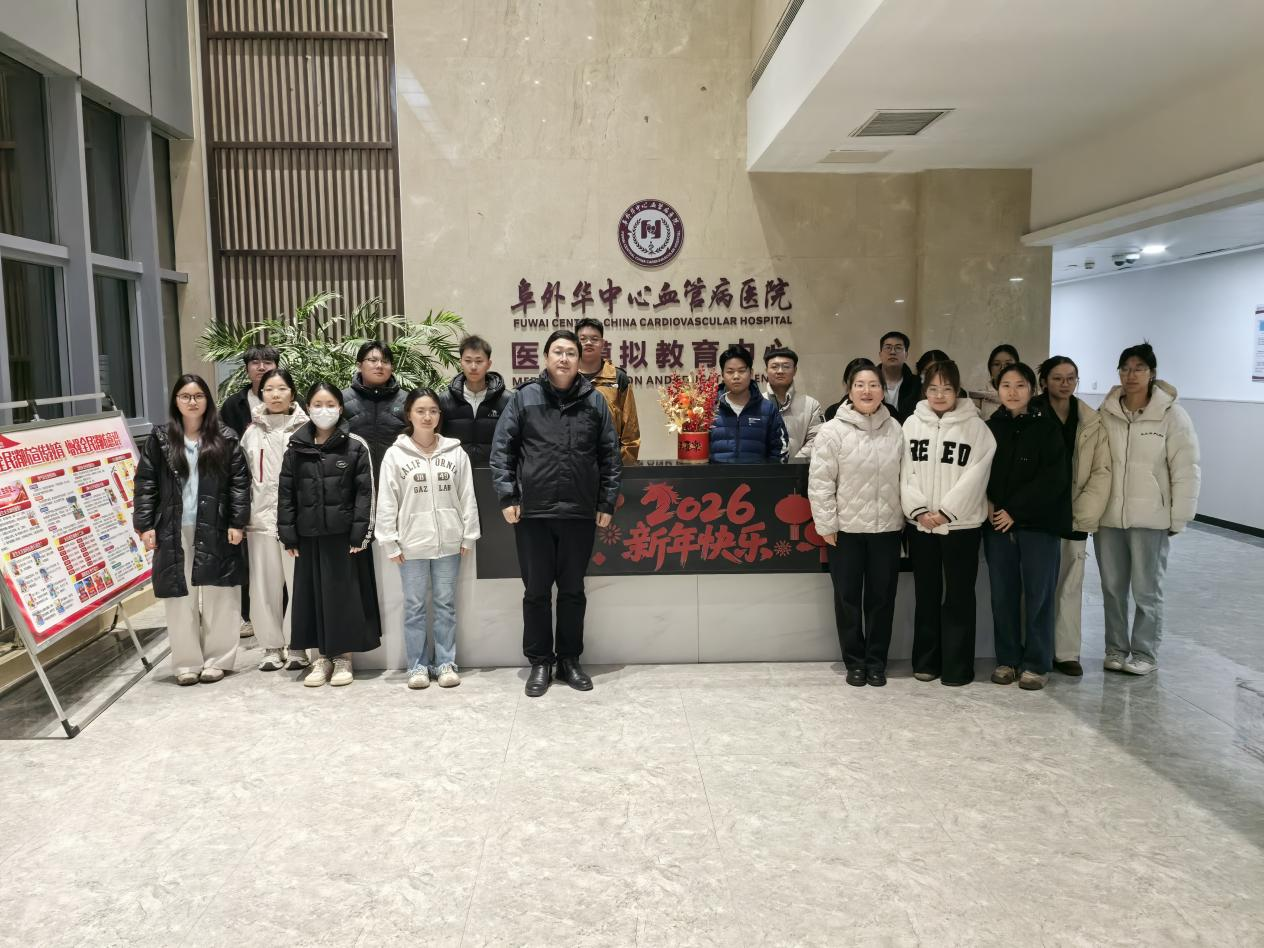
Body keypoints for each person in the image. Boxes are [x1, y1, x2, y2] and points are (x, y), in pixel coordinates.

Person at [489, 329, 621, 697]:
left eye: (571, 353)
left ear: (580, 360)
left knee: (573, 590)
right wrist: (507, 497)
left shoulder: (595, 402)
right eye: (557, 352)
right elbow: (502, 450)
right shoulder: (524, 398)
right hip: (534, 513)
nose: (564, 359)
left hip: (579, 512)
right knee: (535, 591)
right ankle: (540, 662)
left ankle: (569, 660)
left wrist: (606, 502)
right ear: (546, 358)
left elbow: (610, 456)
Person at [133, 375, 250, 686]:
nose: (192, 401)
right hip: (174, 527)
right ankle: (186, 663)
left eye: (198, 396)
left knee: (220, 594)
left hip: (217, 526)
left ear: (207, 400)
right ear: (176, 401)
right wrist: (145, 525)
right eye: (185, 396)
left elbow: (240, 483)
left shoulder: (225, 437)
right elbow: (145, 483)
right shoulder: (160, 438)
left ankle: (218, 660)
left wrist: (237, 522)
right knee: (179, 596)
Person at [1096, 343, 1200, 676]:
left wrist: (1179, 517)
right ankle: (1115, 649)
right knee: (1112, 588)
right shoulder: (1106, 412)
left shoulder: (1172, 415)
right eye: (1125, 368)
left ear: (1152, 373)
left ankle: (1145, 653)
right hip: (1109, 517)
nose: (1131, 375)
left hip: (1151, 518)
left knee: (1146, 590)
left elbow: (1186, 469)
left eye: (1139, 368)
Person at [376, 388, 481, 690]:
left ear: (439, 415)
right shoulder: (395, 455)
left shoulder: (455, 452)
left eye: (433, 411)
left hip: (450, 541)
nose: (427, 416)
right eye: (420, 410)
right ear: (409, 414)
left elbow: (467, 494)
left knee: (446, 605)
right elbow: (387, 500)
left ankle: (446, 663)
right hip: (411, 544)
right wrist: (389, 540)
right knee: (414, 607)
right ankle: (418, 666)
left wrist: (468, 535)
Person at [278, 383, 381, 687]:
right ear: (307, 408)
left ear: (340, 408)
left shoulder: (355, 446)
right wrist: (288, 534)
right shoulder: (295, 447)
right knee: (311, 598)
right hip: (308, 536)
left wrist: (360, 535)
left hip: (344, 538)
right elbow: (285, 494)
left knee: (343, 598)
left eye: (330, 404)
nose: (324, 410)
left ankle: (343, 658)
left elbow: (366, 493)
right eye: (317, 404)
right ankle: (320, 658)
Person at [808, 359, 904, 687]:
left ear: (883, 391)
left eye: (874, 385)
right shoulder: (832, 431)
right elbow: (821, 481)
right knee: (847, 599)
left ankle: (877, 662)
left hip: (887, 529)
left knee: (882, 599)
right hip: (845, 532)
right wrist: (826, 525)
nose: (867, 391)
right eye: (860, 385)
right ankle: (855, 662)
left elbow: (906, 477)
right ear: (849, 390)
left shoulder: (895, 429)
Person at [900, 360, 996, 686]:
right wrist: (919, 511)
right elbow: (904, 472)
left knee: (959, 596)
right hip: (921, 527)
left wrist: (947, 512)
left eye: (947, 389)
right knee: (926, 594)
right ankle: (926, 662)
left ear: (957, 391)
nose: (939, 395)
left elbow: (977, 476)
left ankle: (957, 667)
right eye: (933, 388)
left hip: (962, 528)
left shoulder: (977, 428)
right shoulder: (911, 424)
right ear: (924, 390)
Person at [984, 363, 1070, 691]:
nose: (1012, 391)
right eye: (1006, 385)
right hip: (997, 524)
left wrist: (1015, 511)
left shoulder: (1047, 428)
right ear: (997, 390)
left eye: (1020, 385)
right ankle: (1007, 659)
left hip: (1038, 524)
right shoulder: (990, 428)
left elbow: (1054, 479)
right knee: (1002, 595)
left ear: (1033, 390)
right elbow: (980, 471)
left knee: (1039, 595)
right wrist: (988, 502)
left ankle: (1036, 663)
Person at [1033, 356, 1111, 677]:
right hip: (1038, 514)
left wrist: (1085, 512)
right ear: (1044, 382)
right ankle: (1035, 650)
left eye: (1070, 378)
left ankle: (1065, 652)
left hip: (1073, 512)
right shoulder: (1032, 412)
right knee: (1037, 588)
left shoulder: (1090, 420)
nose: (1064, 384)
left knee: (1070, 584)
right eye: (1057, 378)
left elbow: (1101, 470)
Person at [239, 368, 310, 672]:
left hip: (298, 523)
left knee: (298, 585)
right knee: (263, 587)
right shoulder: (251, 433)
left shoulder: (306, 430)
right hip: (261, 521)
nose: (275, 395)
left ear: (292, 393)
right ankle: (270, 646)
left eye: (282, 388)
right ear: (261, 394)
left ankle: (297, 645)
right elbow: (241, 479)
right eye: (269, 389)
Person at [221, 344, 279, 640]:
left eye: (267, 361)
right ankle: (248, 615)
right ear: (246, 368)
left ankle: (283, 616)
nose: (261, 366)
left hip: (280, 492)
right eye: (255, 362)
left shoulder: (292, 402)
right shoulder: (233, 405)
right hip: (247, 489)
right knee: (249, 559)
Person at [436, 335, 512, 465]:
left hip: (493, 470)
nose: (473, 366)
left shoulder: (506, 399)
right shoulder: (445, 399)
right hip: (454, 469)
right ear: (461, 362)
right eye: (468, 361)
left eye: (479, 361)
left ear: (488, 364)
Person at [575, 317, 640, 464]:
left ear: (602, 343)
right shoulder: (567, 378)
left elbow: (630, 430)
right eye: (583, 339)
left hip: (610, 463)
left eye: (594, 339)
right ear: (575, 343)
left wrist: (622, 466)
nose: (589, 343)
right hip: (575, 465)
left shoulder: (618, 378)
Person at [710, 345, 789, 463]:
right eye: (730, 372)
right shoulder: (709, 409)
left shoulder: (767, 409)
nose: (736, 376)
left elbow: (780, 448)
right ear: (722, 375)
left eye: (742, 371)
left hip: (758, 475)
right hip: (717, 475)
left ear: (751, 373)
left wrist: (770, 473)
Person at [342, 340, 408, 480]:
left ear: (392, 367)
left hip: (398, 476)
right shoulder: (342, 400)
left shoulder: (406, 401)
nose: (379, 365)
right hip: (353, 478)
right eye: (373, 360)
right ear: (359, 365)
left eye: (385, 361)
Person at [761, 346, 823, 458]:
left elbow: (817, 439)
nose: (780, 371)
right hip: (762, 468)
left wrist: (795, 463)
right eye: (774, 367)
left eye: (786, 366)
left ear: (795, 370)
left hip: (799, 467)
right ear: (766, 371)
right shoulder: (754, 403)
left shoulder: (811, 404)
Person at [878, 330, 919, 422]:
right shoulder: (869, 382)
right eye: (888, 347)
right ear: (880, 354)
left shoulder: (917, 384)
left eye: (898, 348)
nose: (892, 352)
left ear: (906, 355)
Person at [976, 344, 1020, 420]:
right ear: (990, 369)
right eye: (996, 364)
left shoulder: (1026, 396)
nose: (1002, 368)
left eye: (1008, 364)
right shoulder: (978, 398)